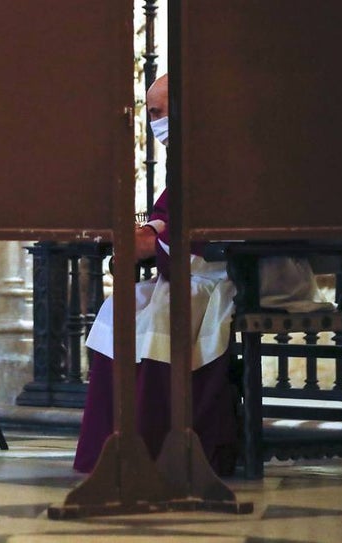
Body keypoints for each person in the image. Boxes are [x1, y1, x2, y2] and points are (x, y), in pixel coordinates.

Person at [73, 74, 239, 475]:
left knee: (164, 315)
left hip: (226, 273)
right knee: (120, 307)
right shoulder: (184, 160)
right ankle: (112, 447)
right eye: (152, 113)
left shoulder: (223, 158)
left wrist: (154, 243)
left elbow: (217, 227)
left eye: (160, 112)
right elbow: (167, 216)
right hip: (190, 270)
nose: (156, 122)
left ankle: (161, 449)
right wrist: (148, 233)